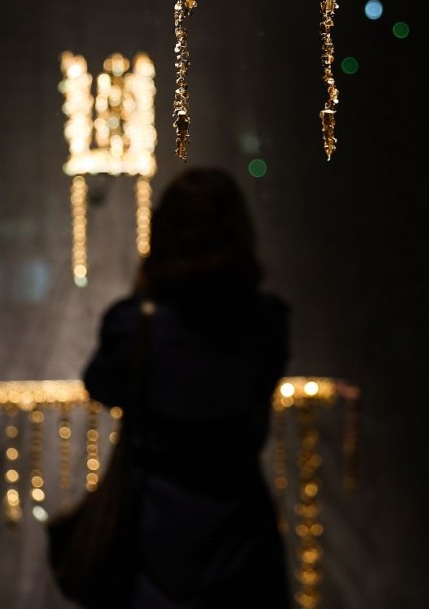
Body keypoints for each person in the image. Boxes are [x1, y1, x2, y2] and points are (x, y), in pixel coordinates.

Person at [82, 165, 292, 609]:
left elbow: (101, 384)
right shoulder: (267, 324)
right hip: (243, 539)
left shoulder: (134, 328)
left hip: (156, 540)